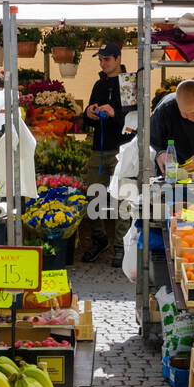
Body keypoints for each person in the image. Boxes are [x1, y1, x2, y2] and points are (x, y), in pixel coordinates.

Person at [82, 42, 135, 266]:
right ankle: (99, 239)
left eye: (107, 59)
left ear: (118, 58)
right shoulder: (98, 84)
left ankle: (122, 246)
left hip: (123, 149)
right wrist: (88, 113)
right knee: (93, 195)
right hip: (99, 149)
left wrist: (115, 114)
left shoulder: (130, 83)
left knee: (124, 198)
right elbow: (86, 118)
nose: (103, 63)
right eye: (101, 59)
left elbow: (136, 121)